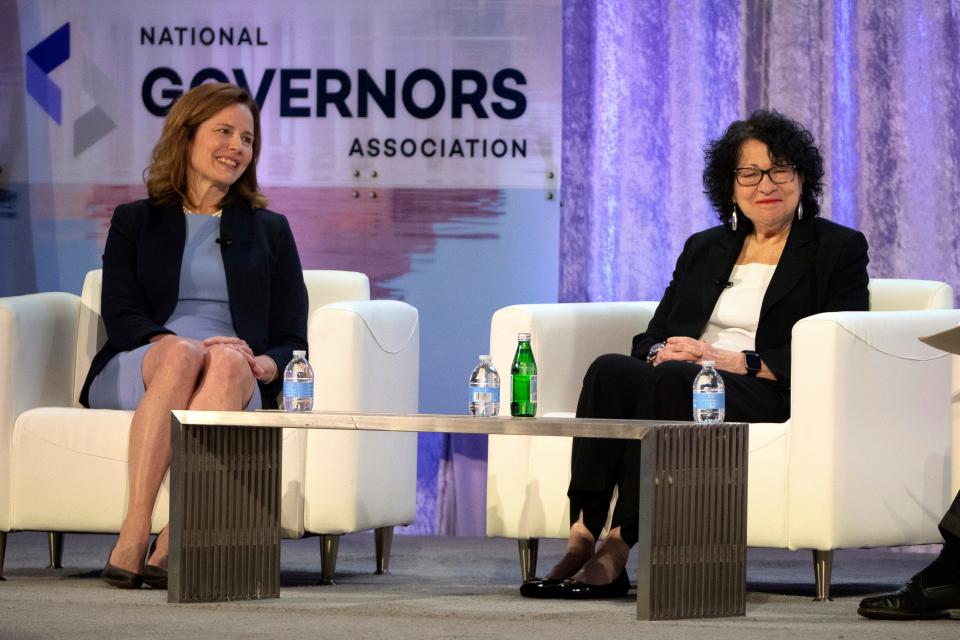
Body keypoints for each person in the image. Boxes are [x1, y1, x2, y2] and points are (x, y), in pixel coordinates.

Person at [521, 109, 870, 599]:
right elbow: (650, 336)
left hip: (766, 388)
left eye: (779, 170)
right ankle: (581, 535)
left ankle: (620, 544)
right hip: (687, 377)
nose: (764, 184)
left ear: (801, 179)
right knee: (610, 371)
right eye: (749, 173)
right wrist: (666, 350)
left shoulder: (838, 248)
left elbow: (843, 338)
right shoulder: (705, 247)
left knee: (677, 381)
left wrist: (731, 361)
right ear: (730, 187)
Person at [79, 83, 308, 589]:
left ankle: (173, 536)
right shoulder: (135, 221)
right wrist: (175, 343)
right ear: (186, 136)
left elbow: (292, 335)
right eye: (223, 131)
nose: (237, 148)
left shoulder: (271, 229)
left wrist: (265, 365)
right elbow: (120, 315)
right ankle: (135, 527)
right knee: (181, 353)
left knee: (226, 362)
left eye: (247, 139)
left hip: (232, 372)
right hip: (142, 361)